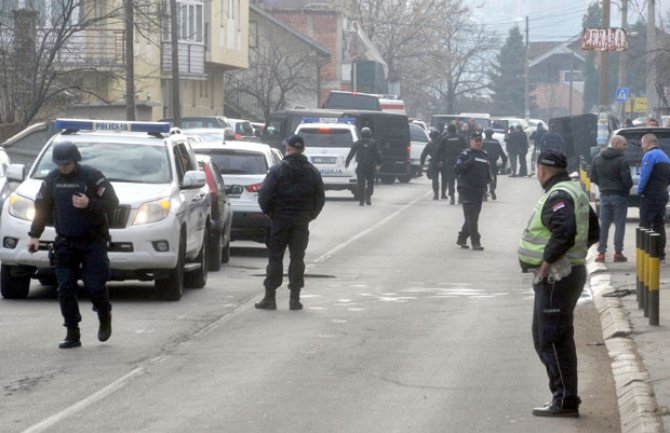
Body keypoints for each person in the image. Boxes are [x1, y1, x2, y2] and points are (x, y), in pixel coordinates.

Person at [518, 149, 599, 418]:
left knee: (552, 339)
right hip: (565, 274)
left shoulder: (559, 195)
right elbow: (593, 231)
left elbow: (564, 231)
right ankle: (563, 396)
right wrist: (575, 256)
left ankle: (565, 399)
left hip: (556, 277)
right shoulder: (575, 190)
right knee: (547, 336)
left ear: (541, 170)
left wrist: (548, 263)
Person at [27, 142, 119, 349]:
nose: (62, 167)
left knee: (95, 286)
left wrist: (90, 204)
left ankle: (104, 313)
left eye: (66, 164)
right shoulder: (52, 180)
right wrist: (34, 235)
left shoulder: (92, 176)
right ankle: (72, 332)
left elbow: (113, 202)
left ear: (75, 160)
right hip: (66, 242)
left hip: (93, 241)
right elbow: (41, 208)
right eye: (59, 164)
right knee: (65, 288)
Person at [256, 135, 325, 311]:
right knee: (297, 259)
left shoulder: (277, 170)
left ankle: (270, 298)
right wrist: (309, 216)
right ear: (303, 149)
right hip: (300, 222)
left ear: (287, 148)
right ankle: (295, 299)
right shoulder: (312, 172)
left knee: (275, 258)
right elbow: (320, 199)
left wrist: (271, 213)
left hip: (279, 220)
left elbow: (264, 195)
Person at [590, 135, 633, 263]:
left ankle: (601, 253)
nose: (625, 147)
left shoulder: (597, 158)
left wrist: (603, 186)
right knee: (619, 225)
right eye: (624, 145)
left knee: (604, 225)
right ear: (617, 144)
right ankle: (618, 252)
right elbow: (626, 180)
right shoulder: (622, 160)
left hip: (604, 195)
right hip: (620, 195)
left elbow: (593, 177)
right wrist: (627, 187)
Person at [455, 132, 491, 250]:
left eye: (480, 140)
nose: (478, 143)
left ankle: (461, 238)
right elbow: (457, 169)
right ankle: (476, 242)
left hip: (478, 191)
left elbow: (487, 172)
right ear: (470, 141)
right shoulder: (465, 154)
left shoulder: (484, 155)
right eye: (476, 140)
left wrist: (488, 186)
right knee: (472, 217)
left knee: (472, 217)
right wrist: (469, 162)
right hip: (466, 190)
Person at [638, 133, 670, 260]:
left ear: (647, 143)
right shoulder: (665, 156)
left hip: (650, 195)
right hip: (662, 194)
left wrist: (640, 190)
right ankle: (660, 253)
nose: (642, 147)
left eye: (642, 144)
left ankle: (645, 252)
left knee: (645, 224)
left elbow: (645, 175)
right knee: (659, 224)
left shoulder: (649, 155)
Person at [345, 127, 382, 206]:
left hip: (361, 166)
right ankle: (368, 197)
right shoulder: (373, 143)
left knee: (361, 183)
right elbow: (378, 154)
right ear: (369, 134)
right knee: (370, 182)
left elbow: (351, 153)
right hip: (370, 166)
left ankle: (361, 200)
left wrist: (347, 161)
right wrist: (379, 164)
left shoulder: (358, 143)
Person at [440, 123, 469, 203]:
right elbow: (466, 149)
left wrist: (440, 160)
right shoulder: (461, 137)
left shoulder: (445, 138)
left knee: (450, 179)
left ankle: (452, 196)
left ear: (448, 130)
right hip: (459, 160)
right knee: (460, 179)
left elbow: (440, 150)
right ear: (456, 129)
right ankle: (460, 197)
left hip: (449, 161)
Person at [481, 128, 508, 200]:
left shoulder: (482, 142)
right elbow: (502, 154)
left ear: (485, 134)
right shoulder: (496, 142)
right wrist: (503, 164)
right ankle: (492, 187)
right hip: (493, 162)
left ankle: (484, 193)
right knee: (493, 176)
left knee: (483, 177)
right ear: (492, 134)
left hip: (483, 162)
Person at [420, 128, 440, 198]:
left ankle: (436, 194)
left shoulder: (430, 144)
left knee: (435, 179)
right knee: (445, 178)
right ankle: (443, 193)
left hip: (434, 161)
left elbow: (423, 154)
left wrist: (422, 163)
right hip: (442, 161)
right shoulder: (442, 142)